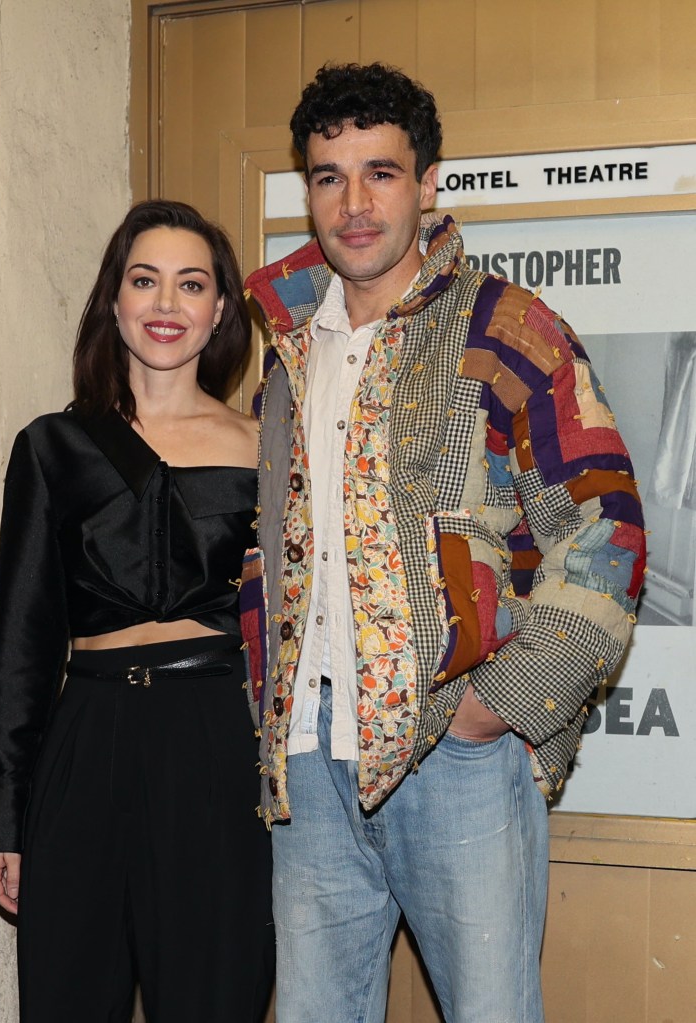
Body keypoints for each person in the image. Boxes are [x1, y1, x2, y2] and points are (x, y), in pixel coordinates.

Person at [241, 63, 646, 1023]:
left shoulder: (508, 328)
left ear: (426, 184)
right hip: (307, 760)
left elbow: (605, 531)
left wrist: (492, 709)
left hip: (453, 757)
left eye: (379, 173)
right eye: (329, 176)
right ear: (308, 189)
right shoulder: (287, 357)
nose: (353, 203)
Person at [0, 199, 274, 1023]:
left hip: (218, 736)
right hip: (86, 735)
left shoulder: (268, 447)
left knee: (214, 997)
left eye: (191, 284)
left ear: (220, 309)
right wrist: (6, 809)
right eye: (145, 280)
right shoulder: (51, 446)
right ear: (113, 298)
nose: (166, 304)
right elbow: (23, 636)